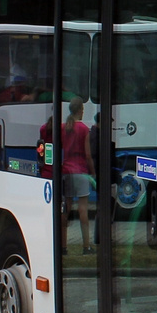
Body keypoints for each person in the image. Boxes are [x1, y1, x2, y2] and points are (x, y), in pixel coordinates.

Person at [60, 97, 94, 252]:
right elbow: (87, 155)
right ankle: (86, 246)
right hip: (81, 172)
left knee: (65, 209)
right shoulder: (84, 129)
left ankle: (64, 246)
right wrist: (92, 172)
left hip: (66, 171)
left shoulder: (63, 127)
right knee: (83, 210)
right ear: (80, 109)